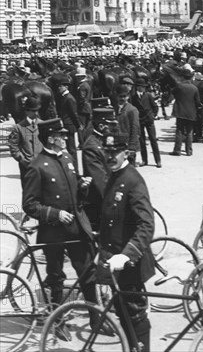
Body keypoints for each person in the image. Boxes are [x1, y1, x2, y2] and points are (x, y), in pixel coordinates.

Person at [22, 118, 100, 339]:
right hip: (53, 232)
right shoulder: (36, 166)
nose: (66, 138)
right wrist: (55, 214)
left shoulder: (67, 157)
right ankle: (57, 321)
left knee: (87, 273)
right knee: (56, 277)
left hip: (76, 227)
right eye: (62, 135)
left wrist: (82, 187)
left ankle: (96, 318)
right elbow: (29, 205)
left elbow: (72, 190)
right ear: (51, 138)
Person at [98, 132, 155, 351]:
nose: (110, 156)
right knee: (123, 311)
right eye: (107, 151)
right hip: (115, 261)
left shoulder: (132, 180)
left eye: (115, 152)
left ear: (126, 153)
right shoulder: (112, 175)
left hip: (130, 263)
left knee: (135, 313)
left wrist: (127, 254)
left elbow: (146, 224)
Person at [81, 107, 117, 229]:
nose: (113, 128)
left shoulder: (103, 141)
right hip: (98, 201)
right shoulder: (91, 147)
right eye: (110, 125)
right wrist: (114, 199)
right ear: (101, 126)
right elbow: (100, 180)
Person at [8, 96, 43, 185]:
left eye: (37, 110)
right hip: (26, 166)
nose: (36, 113)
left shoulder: (42, 124)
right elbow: (13, 146)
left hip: (41, 165)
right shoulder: (19, 127)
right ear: (27, 111)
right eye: (33, 110)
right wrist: (22, 160)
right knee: (28, 193)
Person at [169, 65, 202, 157]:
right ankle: (189, 151)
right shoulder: (195, 88)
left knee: (179, 131)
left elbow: (173, 94)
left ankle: (177, 150)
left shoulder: (179, 86)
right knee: (189, 132)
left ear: (183, 77)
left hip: (180, 111)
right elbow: (198, 102)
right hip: (191, 112)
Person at [131, 77, 162, 168]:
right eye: (141, 87)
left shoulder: (148, 95)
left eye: (144, 87)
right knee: (142, 141)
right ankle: (144, 160)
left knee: (153, 140)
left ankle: (158, 161)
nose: (143, 88)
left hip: (149, 120)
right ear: (137, 87)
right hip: (140, 121)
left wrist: (153, 115)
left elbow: (155, 107)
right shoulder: (133, 97)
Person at [54, 74, 82, 168]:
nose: (59, 88)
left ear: (66, 86)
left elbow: (74, 114)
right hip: (66, 124)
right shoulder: (64, 97)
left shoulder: (69, 98)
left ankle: (75, 168)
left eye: (61, 86)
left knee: (71, 148)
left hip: (69, 125)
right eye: (58, 86)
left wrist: (78, 126)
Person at [115, 84, 140, 165]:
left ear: (128, 96)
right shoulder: (115, 109)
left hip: (127, 146)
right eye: (120, 96)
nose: (122, 98)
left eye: (124, 96)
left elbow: (135, 129)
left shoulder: (132, 110)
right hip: (117, 145)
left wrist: (132, 147)